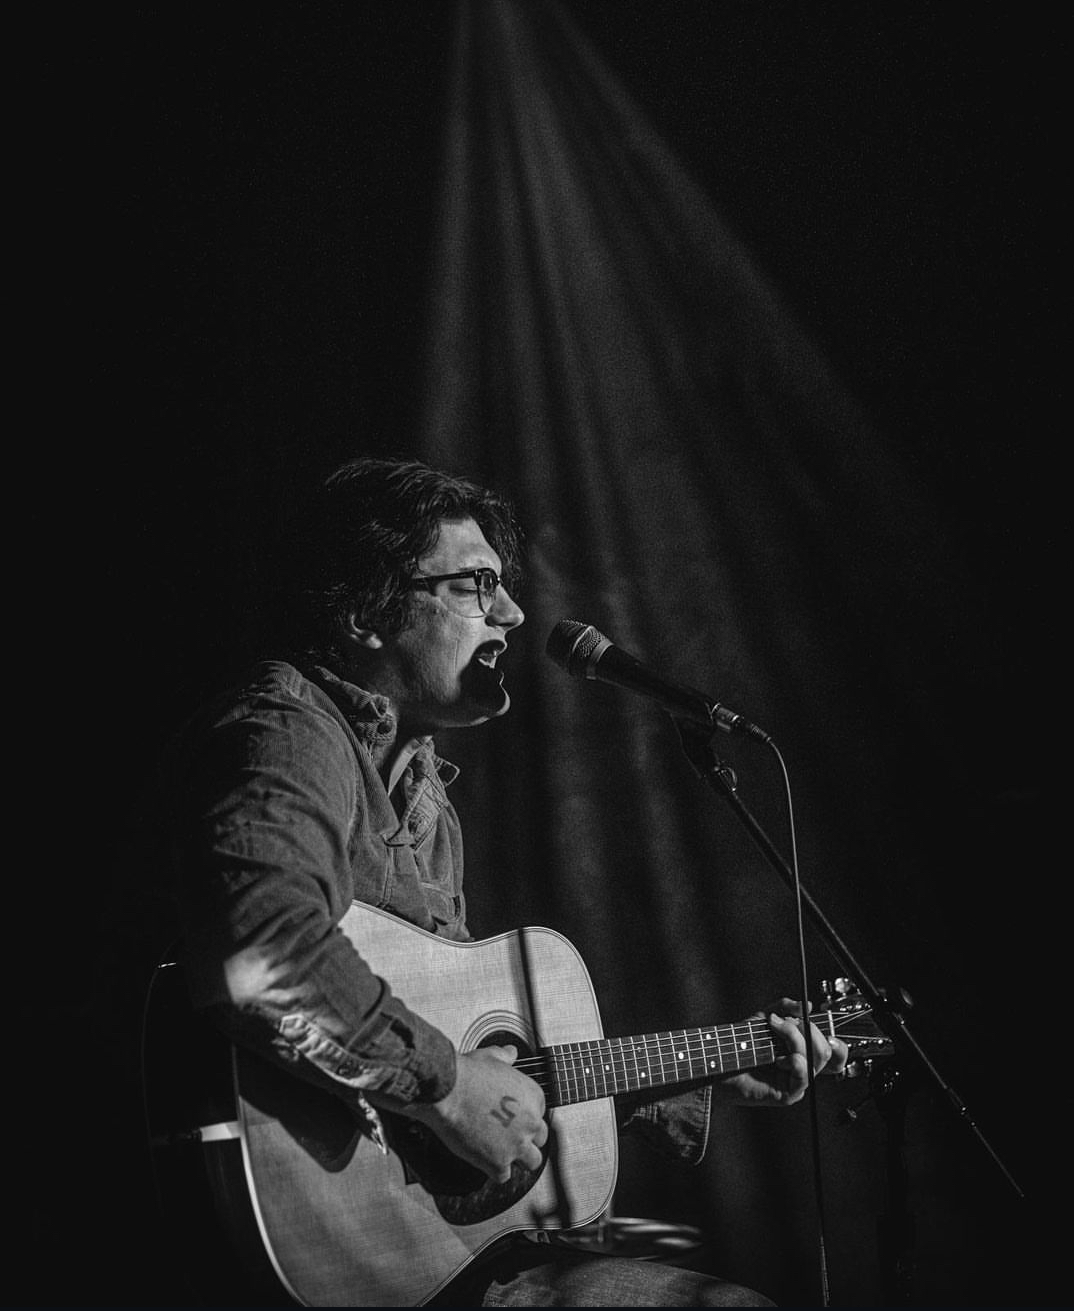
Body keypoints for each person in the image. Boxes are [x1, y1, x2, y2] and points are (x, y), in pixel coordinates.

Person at [151, 456, 847, 1308]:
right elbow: (262, 959)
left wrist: (701, 1073)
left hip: (428, 1260)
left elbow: (484, 1068)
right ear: (365, 612)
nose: (513, 614)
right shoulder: (289, 733)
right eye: (475, 585)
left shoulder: (425, 793)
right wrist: (444, 1086)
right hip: (291, 1259)